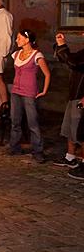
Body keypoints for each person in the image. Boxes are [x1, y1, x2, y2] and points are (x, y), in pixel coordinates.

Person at [7, 30, 50, 162]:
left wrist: (44, 90)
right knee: (15, 121)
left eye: (19, 38)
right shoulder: (16, 54)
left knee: (32, 122)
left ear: (27, 40)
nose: (17, 40)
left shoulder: (37, 55)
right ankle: (14, 147)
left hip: (29, 92)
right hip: (16, 91)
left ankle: (38, 151)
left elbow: (47, 74)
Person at [53, 32, 84, 170]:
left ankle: (81, 161)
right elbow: (69, 60)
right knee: (69, 127)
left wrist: (62, 46)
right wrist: (61, 46)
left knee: (79, 130)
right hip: (74, 94)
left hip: (81, 96)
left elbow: (73, 62)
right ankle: (70, 157)